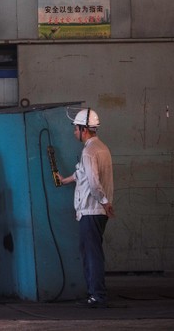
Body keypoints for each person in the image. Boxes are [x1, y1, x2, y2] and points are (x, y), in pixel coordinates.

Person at [57, 108, 115, 308]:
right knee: (92, 252)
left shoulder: (89, 151)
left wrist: (104, 201)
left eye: (75, 128)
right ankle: (94, 294)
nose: (74, 132)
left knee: (92, 254)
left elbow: (92, 181)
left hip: (92, 210)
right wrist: (65, 180)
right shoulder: (101, 148)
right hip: (94, 211)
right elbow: (82, 174)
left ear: (84, 129)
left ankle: (97, 296)